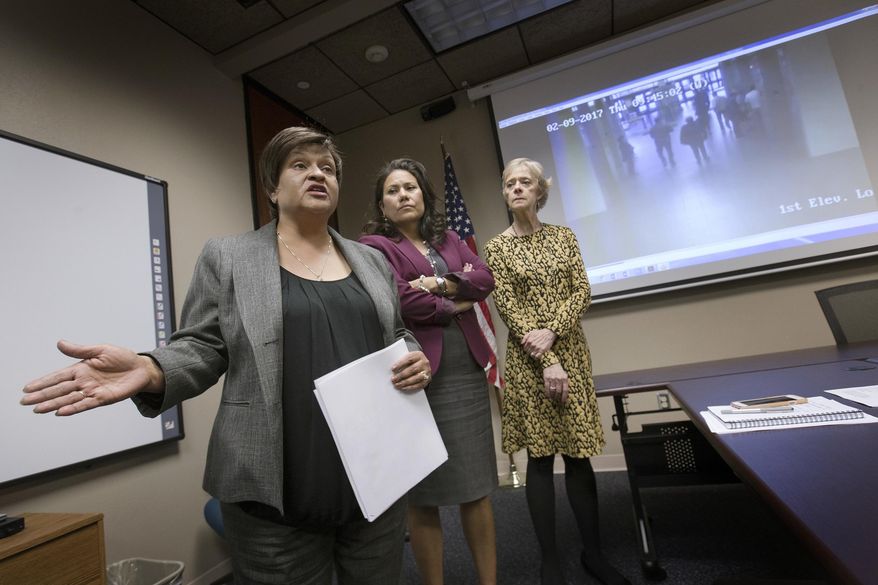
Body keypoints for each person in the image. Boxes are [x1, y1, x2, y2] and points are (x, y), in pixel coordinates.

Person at [20, 127, 431, 585]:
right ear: (273, 187)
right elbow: (202, 345)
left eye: (327, 168)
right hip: (272, 496)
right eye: (300, 164)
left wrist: (415, 356)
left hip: (376, 481)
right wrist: (152, 366)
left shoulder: (370, 259)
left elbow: (397, 332)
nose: (317, 173)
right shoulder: (229, 256)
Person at [484, 158, 630, 585]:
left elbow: (581, 289)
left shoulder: (564, 237)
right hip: (530, 363)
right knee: (541, 458)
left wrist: (554, 332)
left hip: (573, 354)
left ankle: (595, 554)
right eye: (509, 183)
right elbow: (510, 309)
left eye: (524, 182)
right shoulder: (497, 247)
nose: (515, 188)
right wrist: (548, 357)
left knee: (580, 454)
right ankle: (550, 562)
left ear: (539, 191)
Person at [359, 158, 498, 585]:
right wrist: (457, 297)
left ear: (424, 196)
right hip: (418, 374)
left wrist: (436, 285)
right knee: (424, 496)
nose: (403, 195)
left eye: (410, 187)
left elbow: (486, 278)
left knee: (476, 489)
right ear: (383, 205)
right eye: (393, 190)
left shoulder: (452, 238)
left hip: (466, 372)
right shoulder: (373, 248)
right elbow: (401, 302)